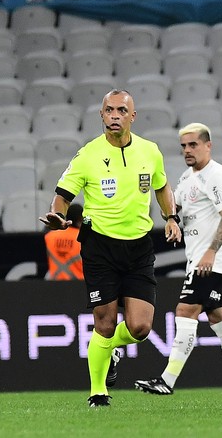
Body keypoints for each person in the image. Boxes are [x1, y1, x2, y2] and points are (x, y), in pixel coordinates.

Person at [40, 89, 182, 408]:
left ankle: (112, 351)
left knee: (140, 327)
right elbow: (63, 195)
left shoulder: (150, 151)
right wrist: (59, 216)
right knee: (104, 321)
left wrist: (171, 216)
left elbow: (162, 186)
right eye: (108, 110)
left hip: (139, 247)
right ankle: (98, 391)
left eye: (121, 110)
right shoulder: (88, 154)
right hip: (100, 246)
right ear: (101, 115)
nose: (114, 116)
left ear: (132, 116)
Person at [134, 123, 222, 395]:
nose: (187, 150)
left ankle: (167, 380)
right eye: (184, 146)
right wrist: (172, 221)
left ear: (208, 145)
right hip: (199, 259)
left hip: (208, 261)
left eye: (193, 145)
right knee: (221, 319)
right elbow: (177, 210)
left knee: (185, 311)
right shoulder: (187, 178)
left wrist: (210, 252)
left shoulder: (216, 175)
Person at [45, 203, 84, 280]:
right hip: (79, 284)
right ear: (80, 219)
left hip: (55, 283)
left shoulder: (50, 236)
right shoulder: (83, 238)